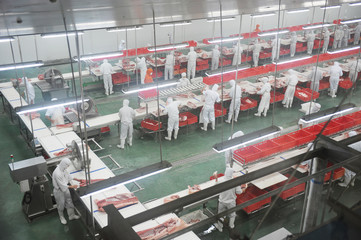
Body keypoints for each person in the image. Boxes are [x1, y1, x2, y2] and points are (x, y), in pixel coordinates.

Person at [215, 166, 247, 232]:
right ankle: (231, 226)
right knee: (232, 215)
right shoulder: (235, 182)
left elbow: (216, 185)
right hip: (231, 202)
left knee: (220, 215)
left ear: (225, 173)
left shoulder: (221, 180)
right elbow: (239, 192)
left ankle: (220, 228)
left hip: (222, 201)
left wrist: (216, 178)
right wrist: (244, 187)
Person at [52, 158, 80, 225]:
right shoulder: (57, 173)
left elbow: (68, 176)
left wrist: (77, 179)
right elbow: (62, 186)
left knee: (69, 201)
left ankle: (71, 216)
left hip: (65, 189)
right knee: (60, 204)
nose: (67, 167)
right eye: (67, 165)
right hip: (59, 191)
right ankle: (61, 217)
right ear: (64, 164)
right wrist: (73, 186)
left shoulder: (63, 169)